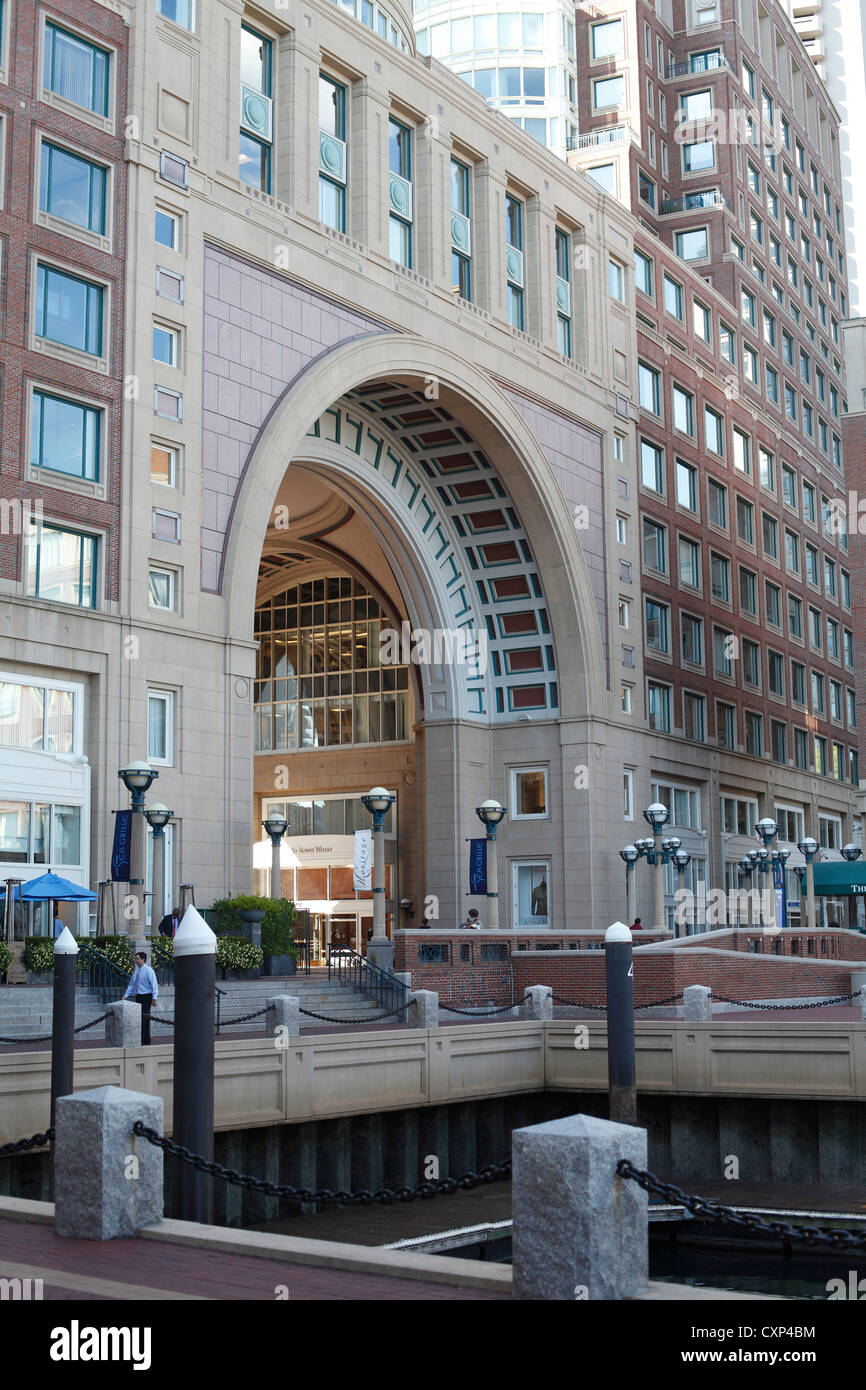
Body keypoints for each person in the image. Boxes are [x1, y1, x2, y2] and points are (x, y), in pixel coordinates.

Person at [124, 951, 159, 1046]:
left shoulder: (149, 971)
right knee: (139, 1018)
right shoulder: (136, 972)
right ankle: (141, 1038)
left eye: (137, 959)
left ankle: (146, 1040)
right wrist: (126, 995)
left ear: (143, 959)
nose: (135, 960)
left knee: (145, 1018)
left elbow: (154, 985)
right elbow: (131, 985)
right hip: (139, 997)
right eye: (135, 959)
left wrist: (154, 998)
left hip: (147, 996)